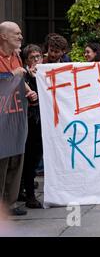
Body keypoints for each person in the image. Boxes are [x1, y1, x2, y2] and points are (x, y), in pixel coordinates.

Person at [0, 21, 38, 216]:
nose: (21, 37)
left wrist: (30, 91)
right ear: (4, 36)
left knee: (16, 160)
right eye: (16, 33)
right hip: (1, 120)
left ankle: (12, 202)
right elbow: (9, 78)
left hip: (16, 116)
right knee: (2, 161)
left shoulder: (16, 56)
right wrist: (10, 74)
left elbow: (20, 81)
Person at [19, 44, 44, 208]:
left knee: (35, 158)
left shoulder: (46, 73)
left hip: (43, 122)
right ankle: (29, 195)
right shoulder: (24, 76)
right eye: (32, 58)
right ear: (26, 61)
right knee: (29, 158)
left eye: (38, 57)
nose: (36, 60)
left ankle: (23, 189)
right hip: (30, 122)